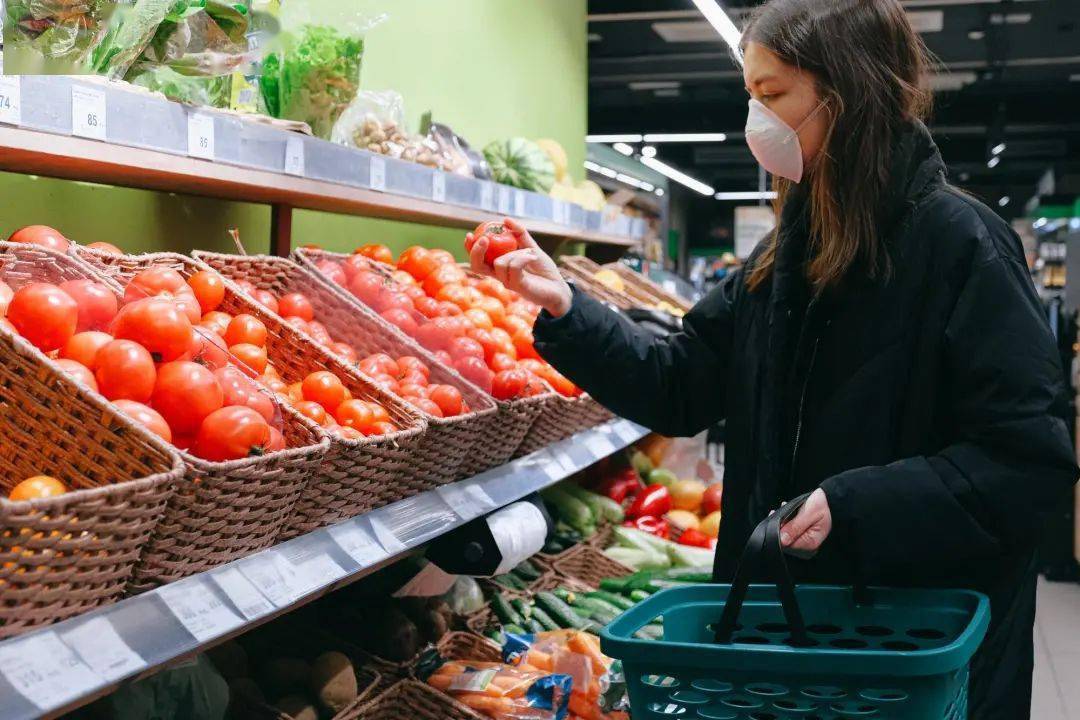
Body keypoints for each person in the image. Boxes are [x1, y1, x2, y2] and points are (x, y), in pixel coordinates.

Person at [467, 1, 1078, 717]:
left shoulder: (963, 246)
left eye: (773, 94)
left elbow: (1027, 460)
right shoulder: (786, 253)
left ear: (848, 94)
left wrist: (854, 505)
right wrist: (568, 306)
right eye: (749, 94)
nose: (755, 119)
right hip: (787, 637)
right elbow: (682, 385)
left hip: (911, 651)